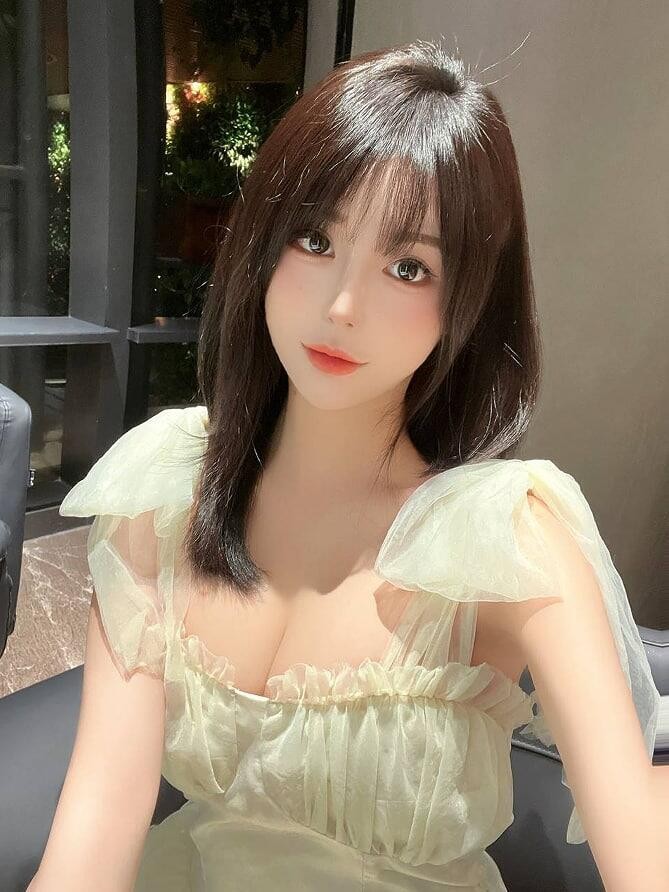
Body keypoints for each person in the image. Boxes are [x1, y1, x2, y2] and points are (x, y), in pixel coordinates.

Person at [31, 39, 662, 891]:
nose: (341, 306)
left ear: (468, 300)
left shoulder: (503, 537)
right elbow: (104, 806)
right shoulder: (164, 486)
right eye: (314, 239)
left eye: (408, 267)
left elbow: (639, 842)